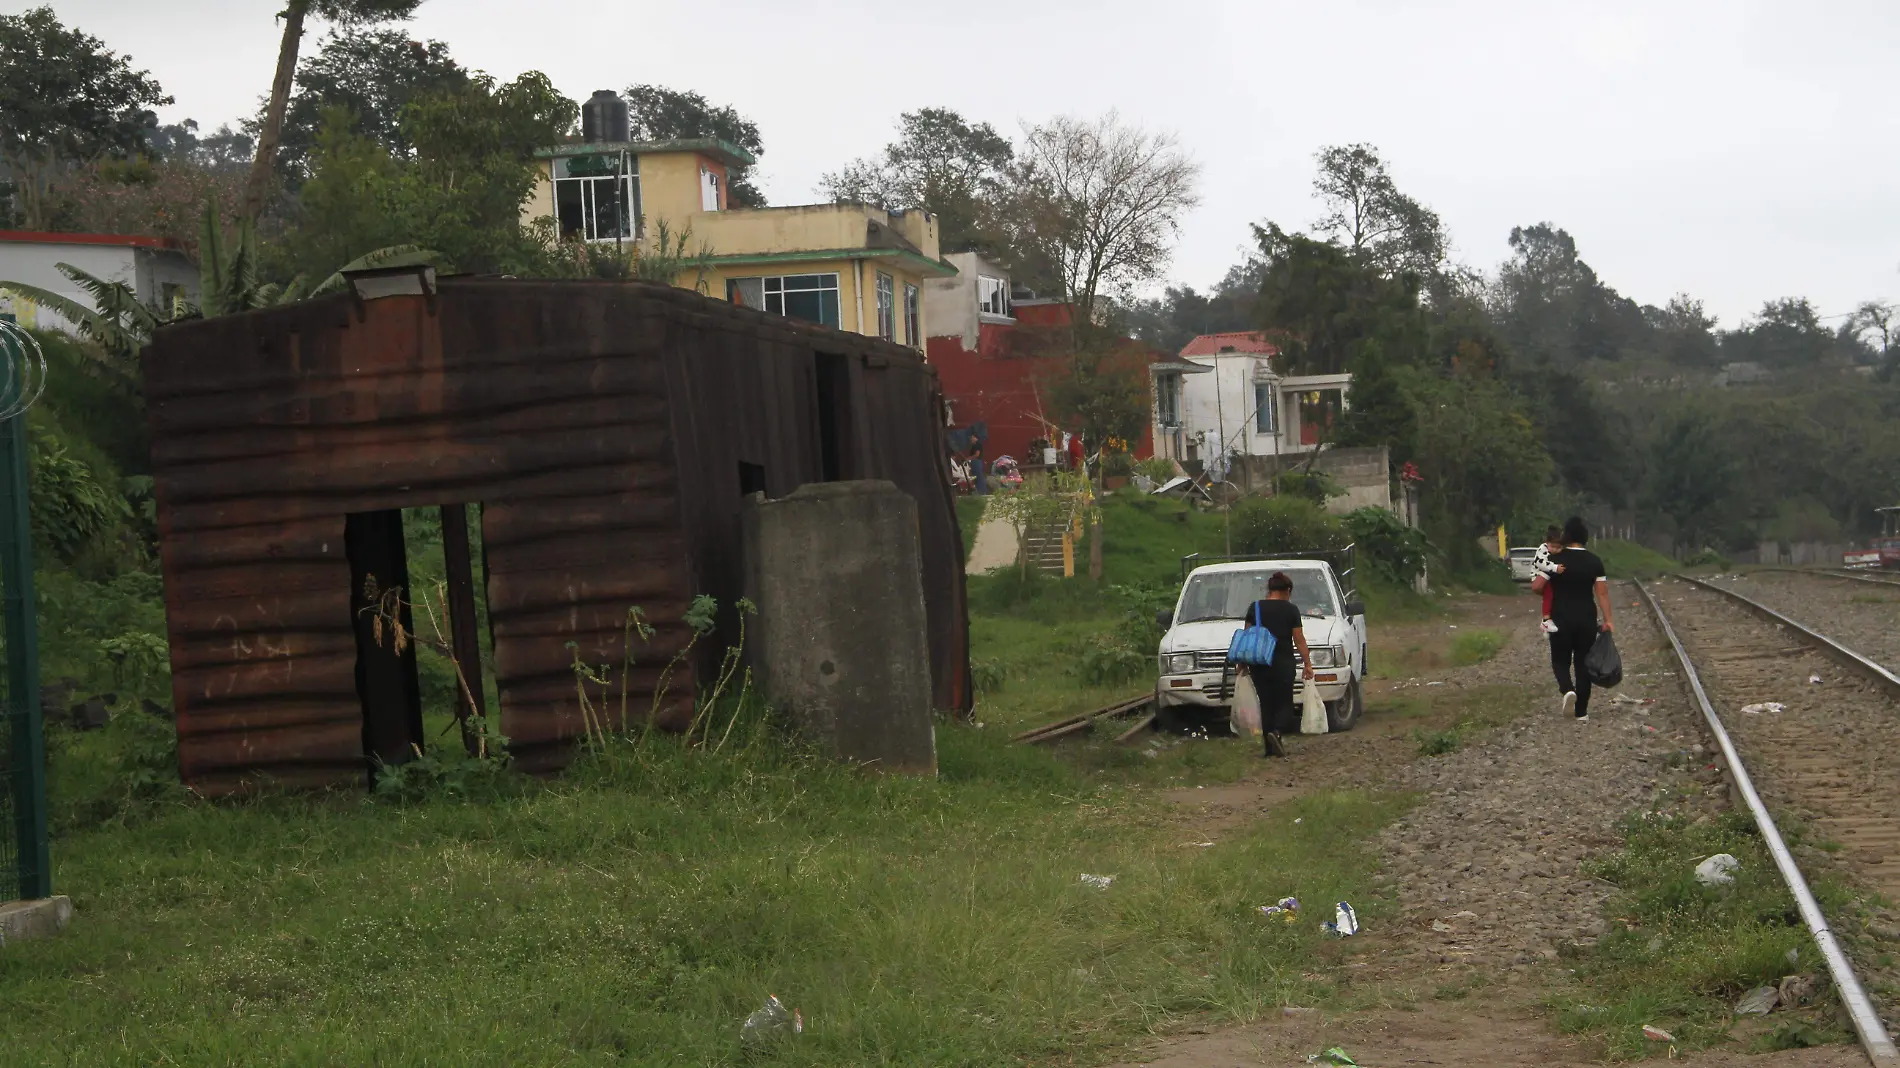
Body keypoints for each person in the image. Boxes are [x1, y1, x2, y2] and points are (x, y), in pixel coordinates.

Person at [1532, 516, 1614, 722]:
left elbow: (1537, 586)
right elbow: (1602, 594)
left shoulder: (1555, 559)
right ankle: (1581, 712)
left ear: (1566, 536)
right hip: (1586, 617)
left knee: (1560, 660)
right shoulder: (1594, 561)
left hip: (1560, 617)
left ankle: (1568, 690)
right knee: (1583, 663)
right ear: (1584, 537)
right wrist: (1608, 620)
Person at [1237, 571, 1314, 757]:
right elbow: (1299, 639)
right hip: (1283, 662)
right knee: (1284, 703)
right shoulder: (1290, 609)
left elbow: (1247, 636)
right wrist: (1308, 663)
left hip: (1259, 662)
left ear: (1269, 590)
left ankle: (1269, 749)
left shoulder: (1254, 607)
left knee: (1266, 704)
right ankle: (1277, 732)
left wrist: (1242, 662)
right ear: (1287, 590)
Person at [1532, 524, 1565, 634]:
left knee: (1551, 596)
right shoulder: (1542, 549)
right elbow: (1540, 563)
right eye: (1553, 546)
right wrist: (1555, 568)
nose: (1555, 550)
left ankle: (1548, 618)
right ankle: (1546, 619)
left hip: (1547, 577)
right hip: (1539, 575)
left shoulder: (1554, 551)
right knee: (1549, 595)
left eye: (1558, 547)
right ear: (1547, 542)